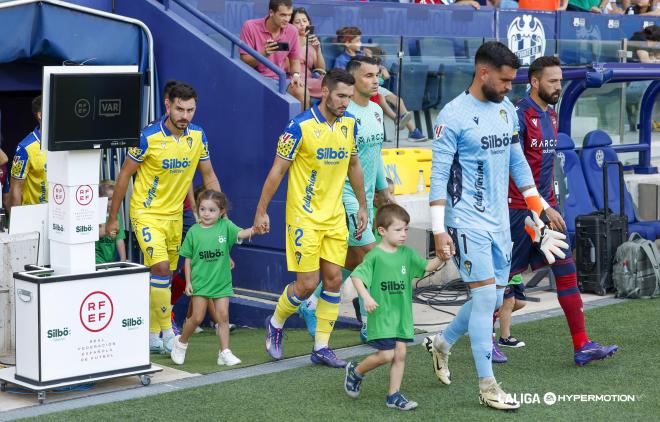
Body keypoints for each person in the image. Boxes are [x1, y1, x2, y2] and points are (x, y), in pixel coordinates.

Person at [424, 41, 568, 410]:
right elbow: (438, 177)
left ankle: (441, 343)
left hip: (502, 220)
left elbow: (517, 161)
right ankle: (487, 386)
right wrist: (439, 229)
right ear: (483, 73)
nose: (509, 88)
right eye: (504, 80)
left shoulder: (505, 109)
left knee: (487, 296)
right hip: (466, 222)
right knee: (488, 299)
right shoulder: (453, 116)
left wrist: (538, 206)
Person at [496, 55, 618, 365]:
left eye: (560, 81)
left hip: (547, 212)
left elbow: (546, 169)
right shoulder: (518, 116)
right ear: (534, 82)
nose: (558, 86)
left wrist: (549, 204)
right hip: (518, 213)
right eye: (552, 81)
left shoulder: (551, 115)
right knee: (499, 284)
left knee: (566, 271)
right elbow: (508, 165)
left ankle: (582, 345)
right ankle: (474, 341)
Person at [253, 69, 368, 367]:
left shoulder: (350, 125)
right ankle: (276, 323)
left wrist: (363, 206)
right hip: (303, 217)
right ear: (325, 91)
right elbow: (277, 171)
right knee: (306, 284)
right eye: (341, 95)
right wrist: (261, 210)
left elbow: (354, 165)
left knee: (332, 282)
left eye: (350, 97)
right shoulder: (298, 127)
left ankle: (321, 346)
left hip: (334, 217)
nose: (346, 102)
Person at [107, 82, 221, 354]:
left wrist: (220, 215)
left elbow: (209, 175)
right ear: (168, 106)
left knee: (165, 275)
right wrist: (113, 218)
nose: (185, 116)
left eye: (191, 110)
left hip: (174, 217)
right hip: (146, 214)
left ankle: (149, 333)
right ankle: (168, 332)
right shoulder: (147, 137)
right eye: (180, 109)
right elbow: (124, 175)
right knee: (159, 268)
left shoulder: (198, 136)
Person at [296, 56, 395, 342]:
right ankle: (371, 325)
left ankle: (310, 303)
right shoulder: (341, 112)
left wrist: (383, 192)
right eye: (368, 76)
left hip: (363, 197)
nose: (375, 80)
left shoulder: (376, 111)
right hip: (342, 196)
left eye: (377, 75)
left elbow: (374, 156)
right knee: (374, 257)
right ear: (353, 79)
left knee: (351, 259)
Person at [344, 204, 444, 411]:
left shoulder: (406, 253)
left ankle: (393, 395)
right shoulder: (374, 256)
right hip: (382, 314)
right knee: (387, 355)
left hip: (402, 316)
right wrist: (367, 297)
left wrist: (442, 258)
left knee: (400, 354)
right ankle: (356, 371)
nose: (404, 234)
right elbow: (356, 276)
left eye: (406, 229)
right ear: (382, 231)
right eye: (398, 230)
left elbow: (426, 267)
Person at [171, 190, 259, 366]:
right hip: (200, 283)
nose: (206, 213)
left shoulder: (225, 226)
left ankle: (224, 352)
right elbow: (187, 259)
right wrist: (188, 282)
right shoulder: (193, 232)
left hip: (221, 282)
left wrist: (256, 229)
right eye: (202, 209)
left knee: (223, 317)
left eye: (211, 210)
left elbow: (241, 233)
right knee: (196, 317)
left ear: (221, 211)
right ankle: (181, 343)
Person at [239, 0, 307, 109]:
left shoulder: (292, 31)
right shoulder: (250, 26)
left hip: (280, 79)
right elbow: (244, 60)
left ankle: (301, 125)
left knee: (301, 91)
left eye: (289, 15)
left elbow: (294, 60)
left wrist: (296, 75)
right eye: (283, 15)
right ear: (271, 12)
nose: (287, 19)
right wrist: (264, 54)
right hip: (256, 78)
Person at [363, 48, 427, 142]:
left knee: (398, 101)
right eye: (365, 54)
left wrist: (380, 70)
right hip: (366, 88)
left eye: (367, 54)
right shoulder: (359, 63)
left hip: (377, 88)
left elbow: (386, 76)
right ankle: (396, 119)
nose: (364, 54)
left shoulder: (378, 66)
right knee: (382, 99)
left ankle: (413, 132)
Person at [9, 95, 47, 214]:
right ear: (40, 115)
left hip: (60, 214)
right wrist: (18, 225)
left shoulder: (64, 143)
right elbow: (15, 188)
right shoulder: (24, 148)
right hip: (34, 216)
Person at [290, 8, 326, 100]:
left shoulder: (311, 42)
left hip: (310, 77)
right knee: (328, 86)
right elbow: (286, 66)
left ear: (309, 23)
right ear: (291, 25)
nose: (302, 24)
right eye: (297, 22)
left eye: (305, 21)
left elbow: (321, 69)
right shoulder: (289, 41)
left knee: (329, 82)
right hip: (295, 77)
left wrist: (318, 50)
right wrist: (300, 44)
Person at [96, 180, 127, 264]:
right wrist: (107, 232)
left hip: (109, 259)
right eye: (109, 199)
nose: (113, 202)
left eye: (115, 199)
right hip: (96, 259)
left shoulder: (116, 217)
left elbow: (119, 239)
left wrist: (123, 260)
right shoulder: (95, 215)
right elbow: (94, 235)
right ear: (99, 198)